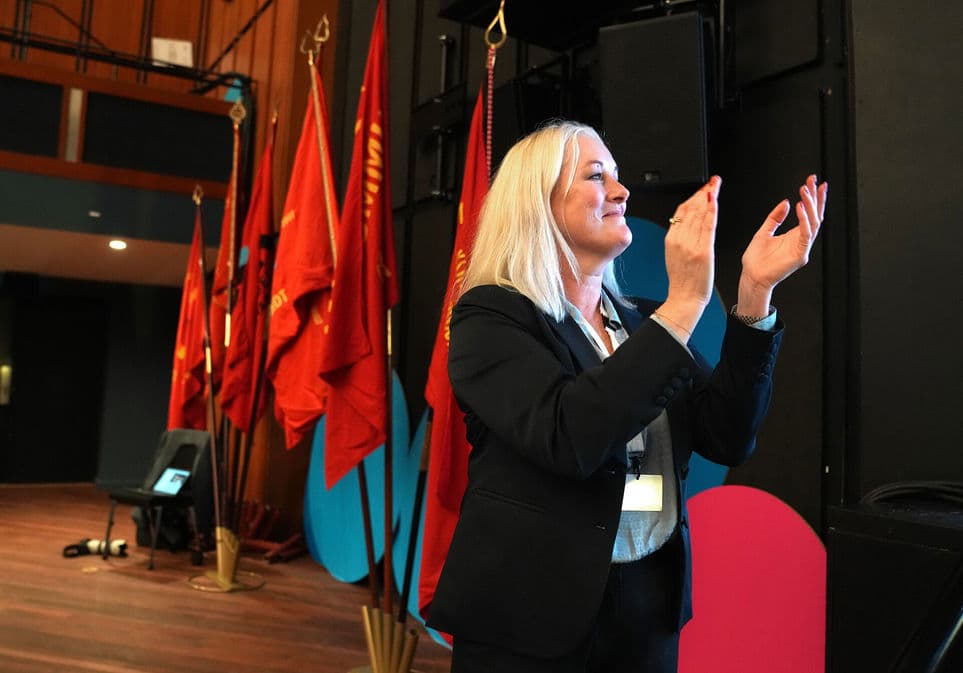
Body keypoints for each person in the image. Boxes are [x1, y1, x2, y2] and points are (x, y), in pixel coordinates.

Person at [425, 120, 828, 673]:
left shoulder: (642, 324)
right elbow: (569, 436)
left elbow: (728, 436)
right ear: (538, 202)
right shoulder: (489, 316)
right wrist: (684, 304)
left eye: (617, 176)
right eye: (597, 176)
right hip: (529, 615)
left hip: (646, 607)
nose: (622, 191)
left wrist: (755, 293)